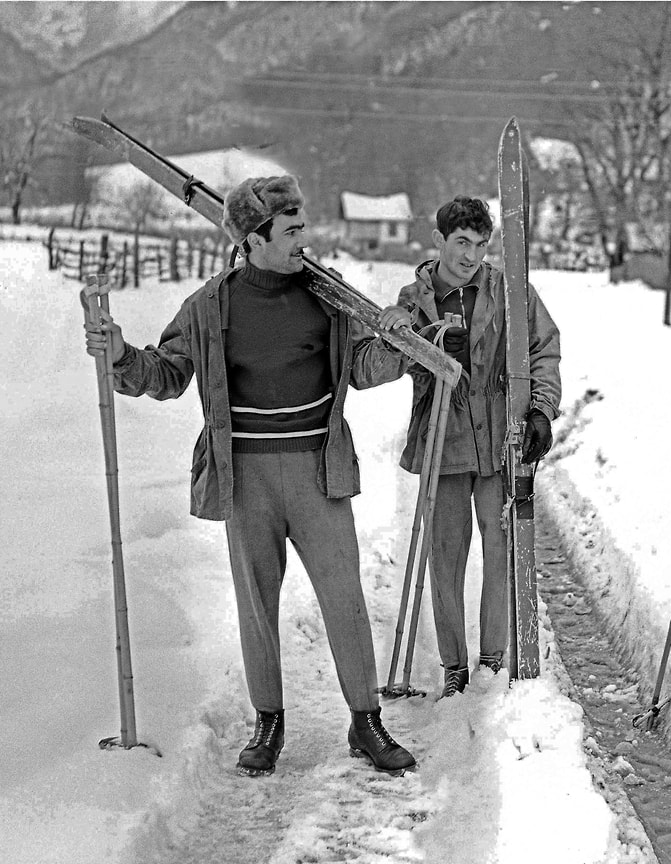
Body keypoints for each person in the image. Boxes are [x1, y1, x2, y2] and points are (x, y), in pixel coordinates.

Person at [81, 175, 417, 777]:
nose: (303, 241)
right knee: (255, 605)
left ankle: (366, 721)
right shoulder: (211, 306)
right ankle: (268, 722)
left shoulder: (328, 296)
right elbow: (168, 373)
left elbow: (363, 367)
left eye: (302, 228)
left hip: (319, 469)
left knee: (345, 598)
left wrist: (393, 340)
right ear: (253, 239)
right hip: (247, 476)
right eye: (290, 231)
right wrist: (122, 358)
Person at [385, 196, 561, 697]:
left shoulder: (509, 291)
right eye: (461, 243)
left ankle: (492, 655)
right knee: (446, 552)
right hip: (443, 434)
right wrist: (427, 346)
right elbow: (393, 352)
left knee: (500, 541)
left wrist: (542, 409)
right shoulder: (413, 298)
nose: (471, 256)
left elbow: (544, 347)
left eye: (482, 245)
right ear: (438, 239)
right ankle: (454, 664)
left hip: (497, 435)